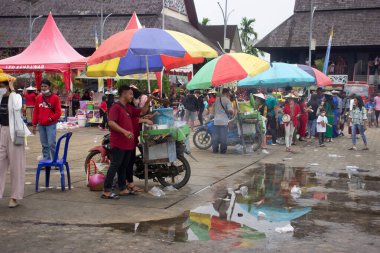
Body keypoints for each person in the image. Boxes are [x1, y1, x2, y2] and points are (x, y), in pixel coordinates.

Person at [101, 85, 140, 199]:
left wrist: (149, 101)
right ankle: (106, 191)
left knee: (123, 166)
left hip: (128, 143)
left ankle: (123, 188)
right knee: (115, 165)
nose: (132, 96)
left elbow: (140, 112)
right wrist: (124, 132)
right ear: (123, 94)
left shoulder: (128, 107)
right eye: (130, 94)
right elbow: (111, 123)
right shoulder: (116, 107)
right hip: (119, 142)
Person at [0, 77, 31, 208]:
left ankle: (15, 196)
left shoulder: (15, 96)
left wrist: (12, 91)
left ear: (7, 85)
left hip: (16, 133)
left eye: (1, 86)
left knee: (16, 166)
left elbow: (18, 107)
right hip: (2, 131)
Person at [32, 79, 62, 161]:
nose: (43, 88)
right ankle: (46, 160)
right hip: (41, 125)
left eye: (45, 86)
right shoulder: (38, 98)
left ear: (49, 87)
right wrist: (34, 125)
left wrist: (51, 118)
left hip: (51, 124)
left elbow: (59, 112)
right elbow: (36, 112)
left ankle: (55, 160)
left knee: (52, 143)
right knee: (44, 144)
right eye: (42, 86)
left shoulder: (55, 98)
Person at [212, 88, 233, 154]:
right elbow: (230, 110)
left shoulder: (217, 99)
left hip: (216, 121)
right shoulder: (227, 100)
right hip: (223, 121)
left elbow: (213, 109)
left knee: (215, 137)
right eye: (228, 93)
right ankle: (222, 151)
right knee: (223, 137)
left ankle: (215, 150)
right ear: (226, 93)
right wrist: (232, 112)